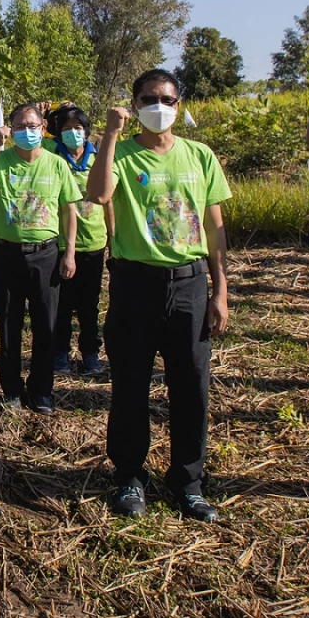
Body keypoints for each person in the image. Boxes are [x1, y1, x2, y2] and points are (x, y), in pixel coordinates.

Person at [85, 69, 231, 523]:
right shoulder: (121, 153)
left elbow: (214, 227)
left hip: (190, 284)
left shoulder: (200, 156)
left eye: (167, 100)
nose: (158, 107)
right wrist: (110, 134)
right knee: (130, 384)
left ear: (179, 106)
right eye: (148, 99)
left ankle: (188, 482)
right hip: (135, 284)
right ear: (134, 105)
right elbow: (97, 194)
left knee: (192, 385)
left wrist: (221, 290)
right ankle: (130, 476)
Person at [0, 102, 81, 414]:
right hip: (7, 254)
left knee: (46, 326)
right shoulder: (2, 161)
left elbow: (69, 210)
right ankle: (12, 389)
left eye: (32, 126)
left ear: (43, 129)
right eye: (19, 127)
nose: (26, 132)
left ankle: (41, 390)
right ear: (10, 130)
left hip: (46, 255)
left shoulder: (56, 164)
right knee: (9, 325)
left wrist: (69, 253)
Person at [48, 104, 113, 377]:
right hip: (60, 243)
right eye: (66, 129)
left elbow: (108, 200)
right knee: (61, 303)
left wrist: (112, 236)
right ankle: (60, 352)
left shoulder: (99, 158)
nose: (73, 133)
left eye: (77, 128)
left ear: (86, 131)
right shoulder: (52, 155)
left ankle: (90, 352)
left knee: (89, 304)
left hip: (94, 242)